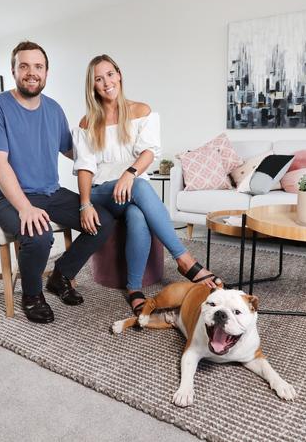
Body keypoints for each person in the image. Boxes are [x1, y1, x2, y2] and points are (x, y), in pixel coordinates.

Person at [72, 54, 222, 315]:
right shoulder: (87, 123)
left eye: (110, 74)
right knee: (141, 187)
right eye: (98, 79)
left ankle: (134, 289)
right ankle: (185, 260)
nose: (106, 82)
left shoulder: (141, 112)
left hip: (131, 191)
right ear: (92, 86)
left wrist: (129, 173)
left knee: (137, 213)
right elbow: (85, 168)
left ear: (119, 74)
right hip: (101, 193)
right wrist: (85, 203)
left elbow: (148, 153)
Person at [0, 41, 115, 324]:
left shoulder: (53, 109)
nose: (32, 72)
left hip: (50, 192)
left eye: (38, 66)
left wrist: (110, 153)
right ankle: (31, 294)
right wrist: (25, 208)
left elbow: (70, 150)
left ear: (46, 72)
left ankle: (60, 275)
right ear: (13, 70)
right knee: (39, 235)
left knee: (103, 220)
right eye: (24, 66)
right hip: (7, 197)